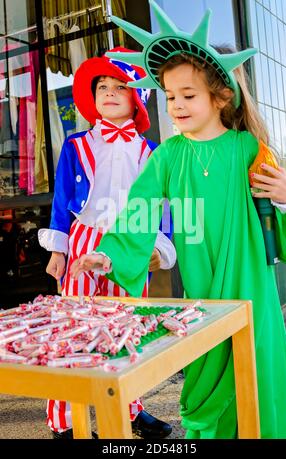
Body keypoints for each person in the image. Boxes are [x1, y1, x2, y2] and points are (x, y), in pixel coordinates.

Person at [70, 3, 286, 439]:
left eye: (188, 95)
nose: (176, 105)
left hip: (252, 286)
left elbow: (283, 217)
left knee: (258, 374)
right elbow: (139, 210)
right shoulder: (168, 156)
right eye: (170, 96)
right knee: (204, 388)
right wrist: (107, 253)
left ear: (221, 97)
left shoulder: (248, 148)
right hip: (200, 294)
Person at [38, 46, 176, 439]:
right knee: (73, 328)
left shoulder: (153, 153)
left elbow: (163, 206)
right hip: (83, 240)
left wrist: (161, 247)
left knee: (126, 327)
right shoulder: (76, 145)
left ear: (138, 98)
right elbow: (63, 200)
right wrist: (58, 249)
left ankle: (131, 408)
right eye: (102, 85)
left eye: (121, 86)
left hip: (131, 244)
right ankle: (64, 420)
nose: (110, 92)